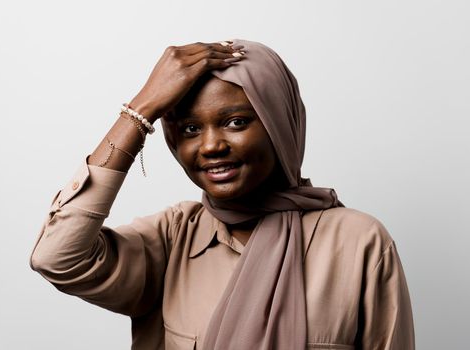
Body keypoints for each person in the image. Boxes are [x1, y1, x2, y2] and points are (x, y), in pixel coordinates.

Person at [29, 39, 415, 349]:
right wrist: (139, 111)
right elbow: (58, 258)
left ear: (280, 123)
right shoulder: (172, 237)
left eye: (235, 122)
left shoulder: (358, 242)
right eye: (190, 129)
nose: (210, 146)